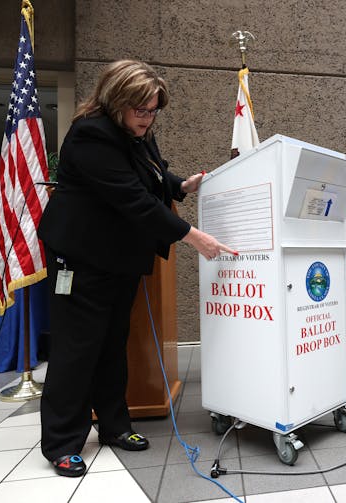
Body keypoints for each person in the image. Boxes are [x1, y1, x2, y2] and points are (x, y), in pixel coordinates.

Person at [37, 59, 235, 477]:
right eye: (141, 110)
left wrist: (181, 185)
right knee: (77, 348)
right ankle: (61, 442)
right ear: (116, 101)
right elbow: (133, 199)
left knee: (112, 342)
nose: (148, 118)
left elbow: (152, 174)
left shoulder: (135, 131)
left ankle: (113, 426)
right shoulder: (91, 135)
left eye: (153, 110)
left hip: (117, 257)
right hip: (80, 257)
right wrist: (193, 236)